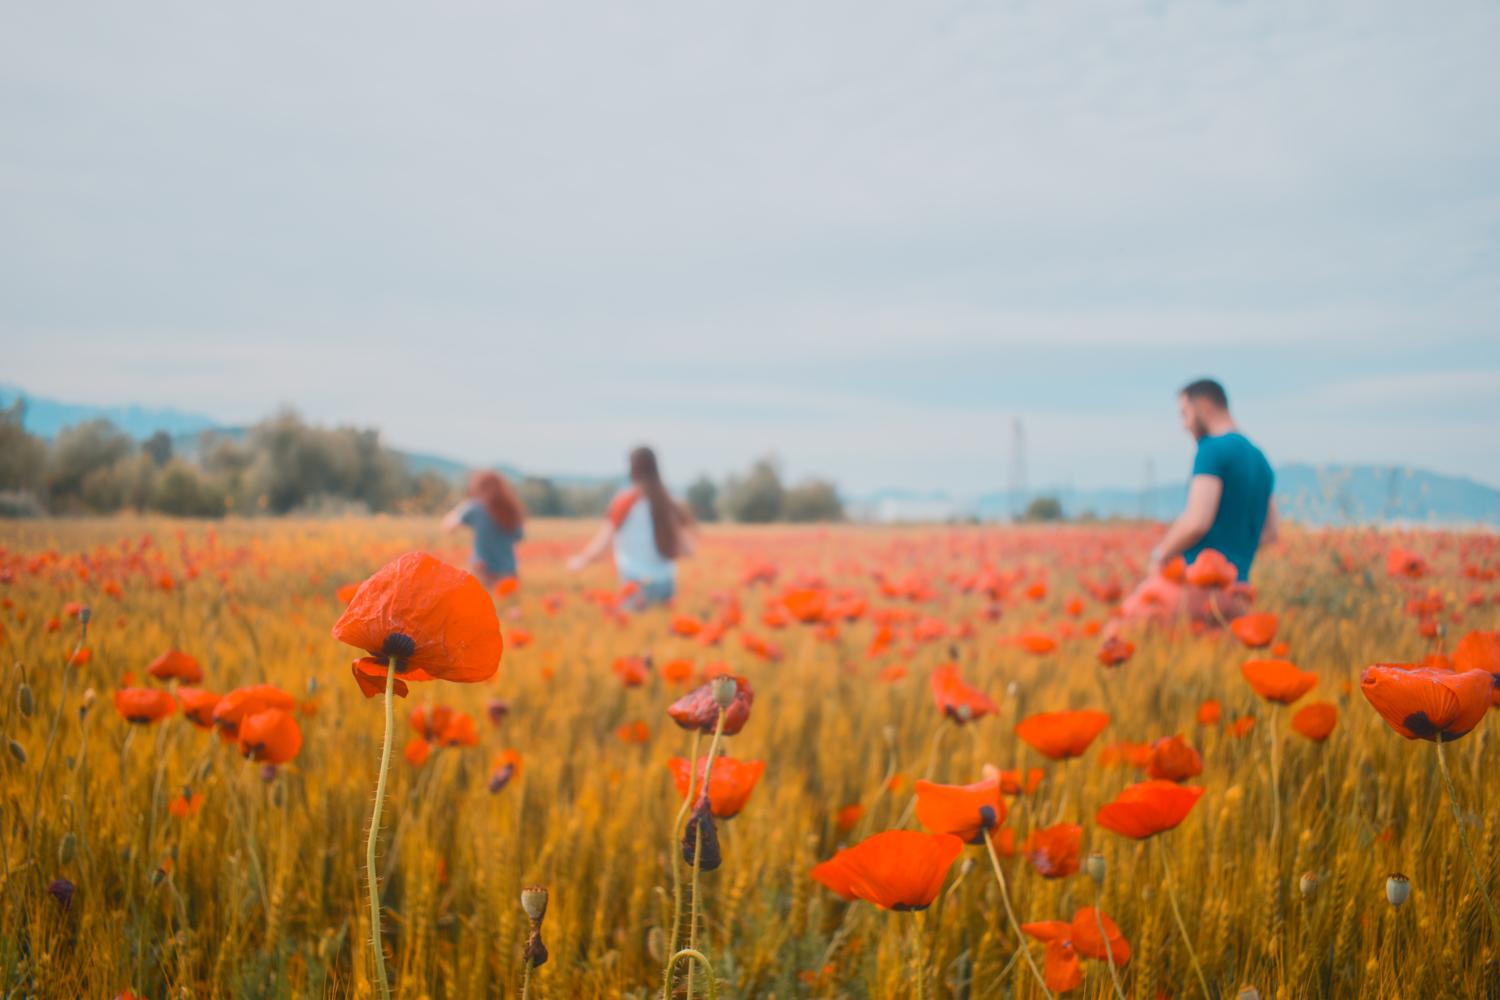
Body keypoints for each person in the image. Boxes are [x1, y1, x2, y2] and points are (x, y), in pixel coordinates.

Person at [1121, 378, 1276, 627]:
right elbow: (1270, 534)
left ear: (1204, 407)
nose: (1184, 425)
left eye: (1185, 414)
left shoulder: (1212, 450)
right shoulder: (1261, 460)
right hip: (1239, 593)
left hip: (1194, 588)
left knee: (1120, 629)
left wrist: (1160, 555)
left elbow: (1197, 521)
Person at [566, 446, 696, 607]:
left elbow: (602, 544)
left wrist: (580, 561)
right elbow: (688, 550)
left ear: (632, 469)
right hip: (666, 584)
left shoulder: (625, 501)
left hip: (636, 584)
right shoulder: (668, 501)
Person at [442, 470, 525, 587]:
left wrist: (462, 506)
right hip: (509, 574)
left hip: (483, 572)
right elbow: (519, 537)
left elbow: (449, 527)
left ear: (478, 488)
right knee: (507, 605)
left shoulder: (475, 508)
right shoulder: (511, 510)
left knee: (480, 604)